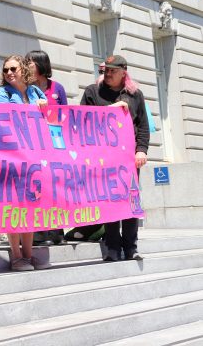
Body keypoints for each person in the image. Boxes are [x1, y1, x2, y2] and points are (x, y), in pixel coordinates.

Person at [80, 55, 149, 262]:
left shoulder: (135, 95)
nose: (107, 74)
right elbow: (83, 120)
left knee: (130, 202)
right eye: (105, 70)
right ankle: (111, 248)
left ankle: (131, 248)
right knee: (109, 202)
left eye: (112, 70)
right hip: (103, 159)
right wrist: (110, 110)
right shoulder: (93, 92)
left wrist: (142, 150)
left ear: (123, 72)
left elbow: (143, 126)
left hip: (129, 159)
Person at [0, 54, 50, 271]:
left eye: (13, 68)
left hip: (34, 157)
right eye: (5, 70)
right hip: (11, 157)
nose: (8, 73)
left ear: (23, 69)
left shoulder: (35, 92)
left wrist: (45, 107)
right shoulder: (1, 93)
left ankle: (29, 254)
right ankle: (16, 256)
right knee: (13, 207)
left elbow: (50, 120)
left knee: (31, 206)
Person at [26, 50, 67, 246]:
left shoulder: (57, 88)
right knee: (37, 187)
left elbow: (66, 117)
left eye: (30, 63)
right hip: (33, 147)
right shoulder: (26, 90)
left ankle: (56, 230)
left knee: (55, 188)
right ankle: (39, 231)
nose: (27, 67)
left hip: (54, 146)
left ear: (41, 65)